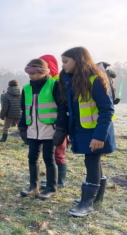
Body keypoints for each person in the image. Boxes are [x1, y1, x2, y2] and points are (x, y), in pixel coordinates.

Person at [59, 47, 115, 217]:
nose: (63, 66)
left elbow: (107, 109)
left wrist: (99, 136)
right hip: (82, 130)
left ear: (78, 60)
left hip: (97, 131)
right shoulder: (71, 80)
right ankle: (97, 198)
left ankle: (86, 203)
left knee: (91, 161)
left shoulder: (96, 79)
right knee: (92, 161)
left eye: (66, 62)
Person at [18, 59, 67, 200]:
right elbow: (24, 109)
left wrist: (61, 129)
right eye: (29, 73)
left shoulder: (55, 85)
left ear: (43, 72)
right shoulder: (27, 88)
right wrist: (22, 127)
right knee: (32, 158)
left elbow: (62, 108)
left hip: (49, 129)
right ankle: (33, 186)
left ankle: (51, 188)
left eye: (34, 73)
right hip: (32, 129)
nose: (31, 76)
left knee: (49, 158)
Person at [39, 55, 68, 188]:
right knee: (50, 153)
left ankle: (60, 181)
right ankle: (54, 178)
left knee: (58, 152)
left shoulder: (58, 83)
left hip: (58, 124)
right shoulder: (45, 83)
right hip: (48, 124)